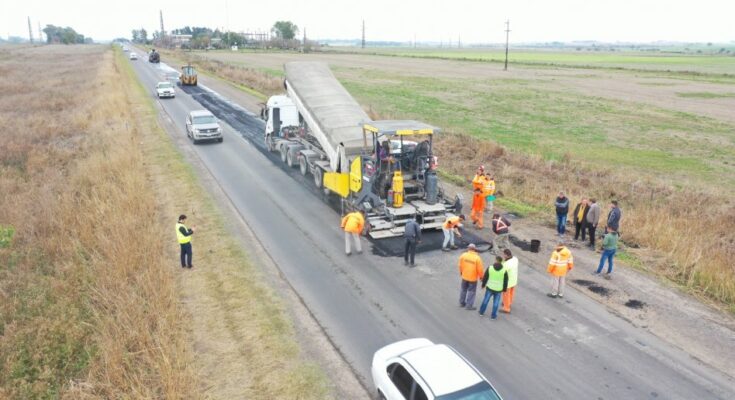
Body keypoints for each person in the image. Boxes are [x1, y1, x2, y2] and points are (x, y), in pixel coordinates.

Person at [458, 243, 484, 310]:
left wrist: (461, 272)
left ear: (468, 248)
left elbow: (460, 265)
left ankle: (461, 303)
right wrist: (481, 277)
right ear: (474, 249)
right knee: (471, 291)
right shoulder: (477, 258)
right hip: (472, 278)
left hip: (464, 276)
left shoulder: (463, 255)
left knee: (463, 289)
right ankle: (469, 306)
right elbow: (480, 269)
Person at [501, 249, 518, 313]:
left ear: (506, 255)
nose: (503, 256)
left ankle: (506, 308)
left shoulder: (506, 264)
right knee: (511, 294)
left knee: (506, 295)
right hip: (514, 280)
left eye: (504, 254)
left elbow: (502, 271)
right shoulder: (515, 259)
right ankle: (509, 303)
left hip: (508, 283)